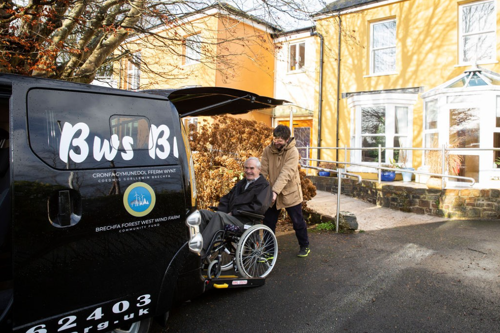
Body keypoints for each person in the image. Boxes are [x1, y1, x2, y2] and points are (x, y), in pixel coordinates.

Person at [199, 157, 272, 258]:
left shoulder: (264, 186)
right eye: (246, 168)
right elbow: (226, 199)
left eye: (251, 168)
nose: (248, 171)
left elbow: (259, 207)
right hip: (230, 217)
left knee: (219, 217)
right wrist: (223, 212)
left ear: (259, 170)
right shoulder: (241, 184)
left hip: (245, 221)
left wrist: (234, 212)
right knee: (202, 214)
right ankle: (197, 244)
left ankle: (201, 250)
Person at [261, 124, 310, 257]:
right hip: (273, 193)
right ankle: (269, 251)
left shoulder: (293, 152)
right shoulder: (267, 150)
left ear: (287, 140)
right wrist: (258, 187)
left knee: (297, 221)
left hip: (290, 193)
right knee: (268, 222)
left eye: (280, 140)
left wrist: (275, 191)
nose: (276, 142)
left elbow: (286, 173)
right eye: (275, 138)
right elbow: (263, 171)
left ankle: (304, 246)